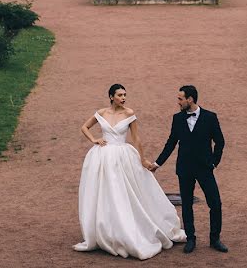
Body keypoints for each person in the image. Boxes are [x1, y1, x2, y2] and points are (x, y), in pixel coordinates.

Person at [75, 84, 186, 259]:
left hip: (123, 156)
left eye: (125, 95)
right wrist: (94, 140)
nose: (123, 98)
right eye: (120, 95)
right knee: (104, 193)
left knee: (124, 192)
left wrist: (142, 159)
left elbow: (136, 138)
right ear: (111, 96)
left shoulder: (129, 113)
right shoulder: (102, 112)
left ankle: (125, 230)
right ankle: (106, 230)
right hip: (102, 157)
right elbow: (84, 127)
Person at [150, 85, 226, 254]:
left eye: (180, 99)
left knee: (215, 203)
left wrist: (214, 162)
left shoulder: (210, 117)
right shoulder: (177, 119)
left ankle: (215, 239)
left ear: (190, 99)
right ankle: (190, 239)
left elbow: (220, 142)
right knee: (186, 205)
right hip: (185, 168)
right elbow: (171, 143)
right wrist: (157, 163)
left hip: (205, 168)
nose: (178, 102)